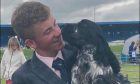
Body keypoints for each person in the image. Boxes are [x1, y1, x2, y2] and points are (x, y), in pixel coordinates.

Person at [11, 1, 77, 84]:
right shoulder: (22, 78)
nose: (58, 32)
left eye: (55, 24)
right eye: (48, 31)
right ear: (31, 43)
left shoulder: (79, 53)